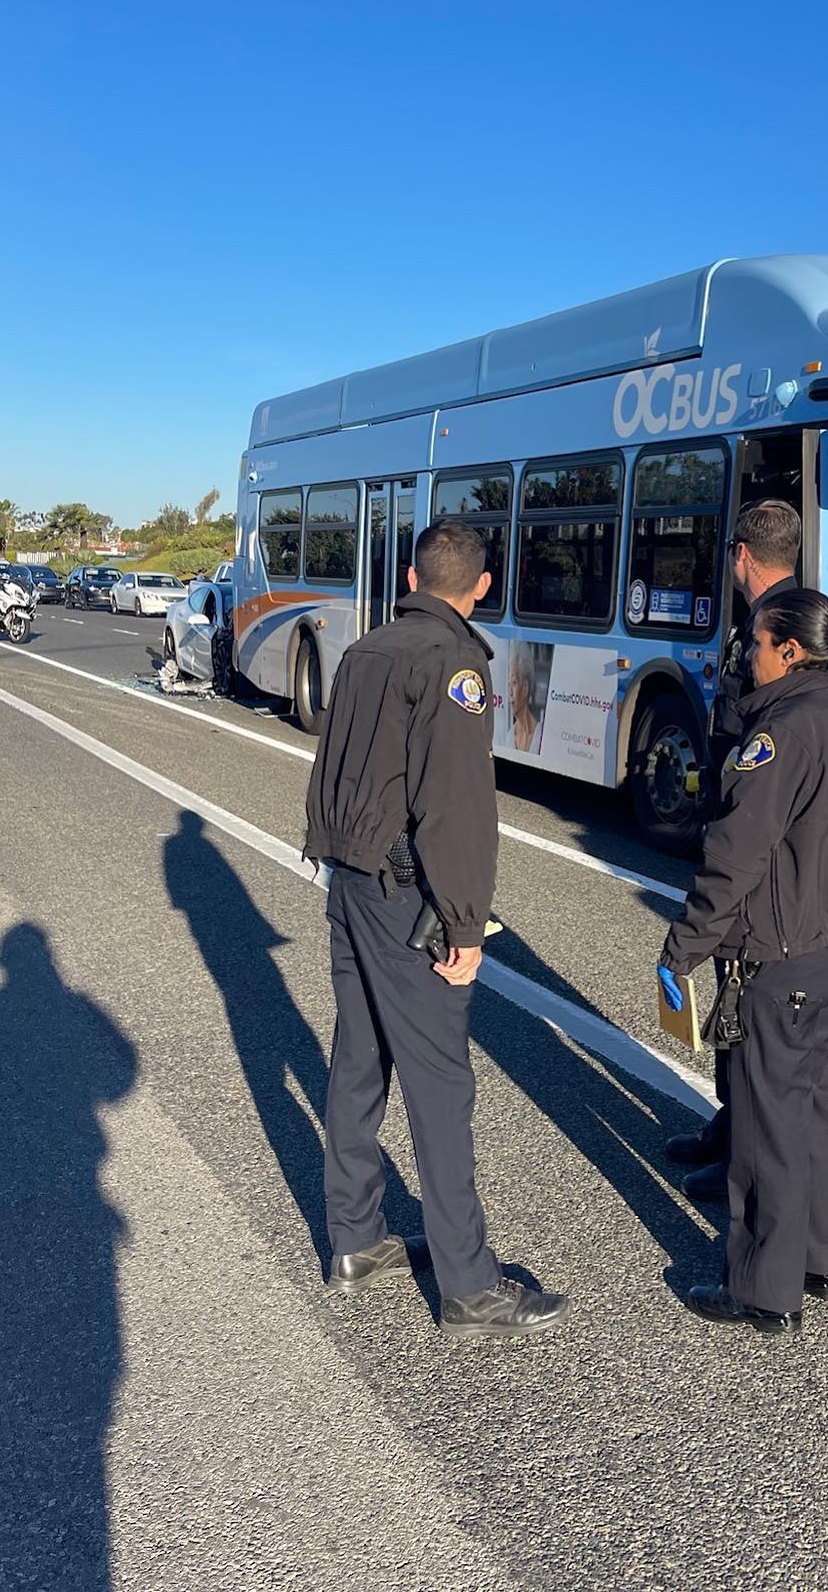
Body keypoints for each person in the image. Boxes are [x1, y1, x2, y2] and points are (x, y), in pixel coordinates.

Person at [304, 517, 570, 1339]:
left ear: (416, 576)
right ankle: (470, 1286)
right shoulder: (455, 664)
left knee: (358, 1059)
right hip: (402, 895)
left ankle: (355, 1239)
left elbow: (332, 765)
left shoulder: (364, 650)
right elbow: (455, 810)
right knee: (441, 1084)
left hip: (348, 880)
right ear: (480, 586)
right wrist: (465, 925)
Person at [659, 587, 828, 1334]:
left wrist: (683, 947)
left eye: (756, 642)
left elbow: (734, 855)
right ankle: (818, 1258)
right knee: (806, 1106)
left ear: (790, 650)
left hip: (786, 954)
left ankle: (763, 1287)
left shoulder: (781, 735)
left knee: (765, 1124)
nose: (745, 655)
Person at [661, 498, 801, 1204]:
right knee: (730, 992)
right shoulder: (780, 618)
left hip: (753, 839)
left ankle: (740, 1149)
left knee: (740, 1000)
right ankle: (728, 1125)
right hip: (743, 822)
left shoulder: (777, 630)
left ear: (742, 554)